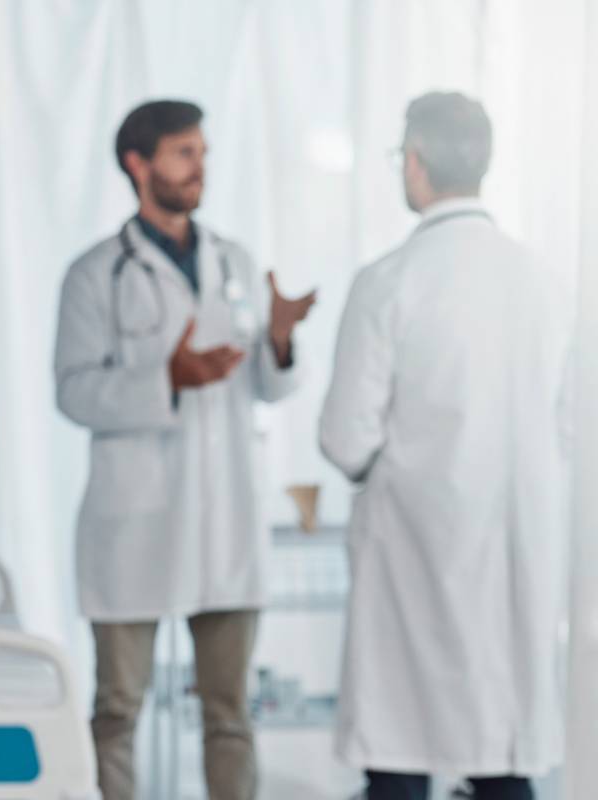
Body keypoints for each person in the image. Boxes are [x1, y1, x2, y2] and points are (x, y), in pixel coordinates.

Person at [53, 99, 316, 800]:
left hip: (225, 514)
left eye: (202, 152)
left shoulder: (235, 261)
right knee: (118, 711)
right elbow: (73, 392)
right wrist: (167, 377)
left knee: (230, 713)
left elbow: (267, 387)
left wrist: (281, 340)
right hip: (135, 521)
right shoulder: (95, 274)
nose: (200, 167)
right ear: (138, 164)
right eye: (184, 153)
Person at [319, 91, 571, 800]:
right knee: (504, 760)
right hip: (519, 548)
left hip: (413, 550)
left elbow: (345, 438)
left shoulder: (387, 282)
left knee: (400, 751)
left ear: (416, 162)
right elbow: (573, 424)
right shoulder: (547, 283)